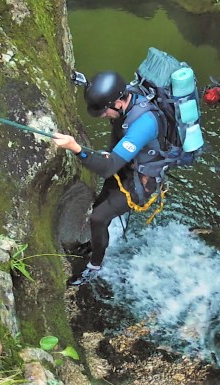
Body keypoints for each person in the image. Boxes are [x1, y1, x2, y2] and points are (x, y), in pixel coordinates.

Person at [53, 70, 162, 286]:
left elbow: (107, 168)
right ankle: (95, 245)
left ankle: (94, 267)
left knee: (99, 218)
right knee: (99, 206)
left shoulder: (145, 123)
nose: (104, 116)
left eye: (105, 112)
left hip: (141, 182)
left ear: (118, 103)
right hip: (126, 169)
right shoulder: (125, 99)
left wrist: (76, 149)